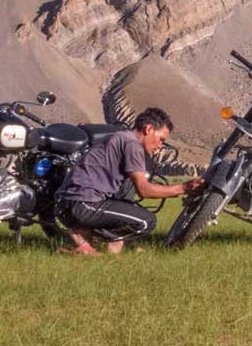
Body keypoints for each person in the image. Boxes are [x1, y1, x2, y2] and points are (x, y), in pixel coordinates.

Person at [56, 107, 203, 255]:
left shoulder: (122, 137)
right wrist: (184, 187)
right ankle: (82, 234)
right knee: (146, 222)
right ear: (149, 129)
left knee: (128, 187)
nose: (160, 146)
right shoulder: (132, 145)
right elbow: (144, 190)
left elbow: (128, 191)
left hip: (69, 204)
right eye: (161, 139)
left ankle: (109, 247)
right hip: (82, 204)